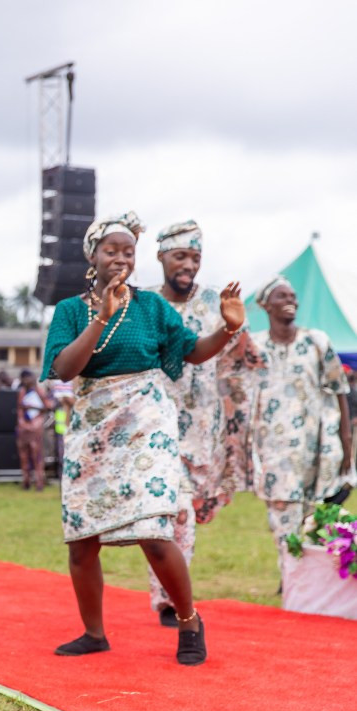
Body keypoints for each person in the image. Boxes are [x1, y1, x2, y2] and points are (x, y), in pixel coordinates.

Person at [42, 211, 244, 667]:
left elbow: (192, 352)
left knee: (156, 529)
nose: (120, 258)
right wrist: (100, 318)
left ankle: (189, 621)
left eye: (127, 251)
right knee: (82, 539)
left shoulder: (153, 308)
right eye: (110, 250)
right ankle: (94, 633)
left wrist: (227, 328)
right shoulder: (71, 311)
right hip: (93, 422)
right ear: (92, 255)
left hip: (147, 419)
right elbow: (64, 369)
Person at [146, 220, 265, 625]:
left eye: (196, 258)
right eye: (180, 256)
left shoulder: (215, 298)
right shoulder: (143, 302)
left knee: (183, 511)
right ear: (161, 257)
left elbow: (243, 361)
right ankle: (169, 601)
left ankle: (168, 594)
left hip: (201, 424)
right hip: (149, 421)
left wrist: (235, 326)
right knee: (175, 511)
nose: (189, 265)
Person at [250, 276, 352, 576]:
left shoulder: (316, 341)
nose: (290, 300)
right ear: (267, 305)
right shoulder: (254, 346)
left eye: (293, 294)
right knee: (282, 517)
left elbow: (339, 389)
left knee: (315, 518)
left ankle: (308, 581)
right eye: (281, 296)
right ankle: (290, 578)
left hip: (316, 449)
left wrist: (346, 442)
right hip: (273, 450)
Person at [15, 370, 50, 491]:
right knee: (24, 455)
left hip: (36, 427)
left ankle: (39, 482)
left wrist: (33, 408)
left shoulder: (39, 392)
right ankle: (26, 481)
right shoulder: (22, 392)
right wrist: (22, 423)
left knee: (37, 455)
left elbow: (48, 406)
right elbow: (20, 408)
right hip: (23, 428)